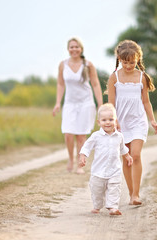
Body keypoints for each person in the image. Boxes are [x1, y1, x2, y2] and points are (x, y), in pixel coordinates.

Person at [107, 40, 157, 205]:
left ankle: (136, 194)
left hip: (138, 121)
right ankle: (131, 193)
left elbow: (146, 102)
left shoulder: (141, 77)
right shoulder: (114, 77)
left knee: (135, 155)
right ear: (119, 59)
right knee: (127, 158)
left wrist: (152, 120)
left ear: (138, 59)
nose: (128, 65)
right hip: (121, 122)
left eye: (132, 62)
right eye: (125, 62)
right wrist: (114, 120)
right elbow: (111, 103)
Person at [52, 37, 103, 174]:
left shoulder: (88, 65)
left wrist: (100, 104)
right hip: (70, 103)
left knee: (81, 136)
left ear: (81, 49)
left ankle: (80, 165)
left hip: (86, 103)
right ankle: (70, 158)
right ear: (68, 49)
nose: (74, 49)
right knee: (68, 133)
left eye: (76, 47)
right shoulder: (63, 65)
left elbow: (96, 84)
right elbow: (60, 84)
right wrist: (58, 102)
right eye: (71, 47)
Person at [79, 103, 133, 215]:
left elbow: (122, 148)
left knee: (114, 188)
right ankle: (97, 206)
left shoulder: (119, 136)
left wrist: (127, 156)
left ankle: (113, 207)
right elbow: (87, 146)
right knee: (97, 190)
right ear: (99, 122)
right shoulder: (96, 136)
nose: (107, 122)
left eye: (111, 119)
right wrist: (83, 156)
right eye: (104, 120)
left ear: (115, 121)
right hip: (98, 171)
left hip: (115, 170)